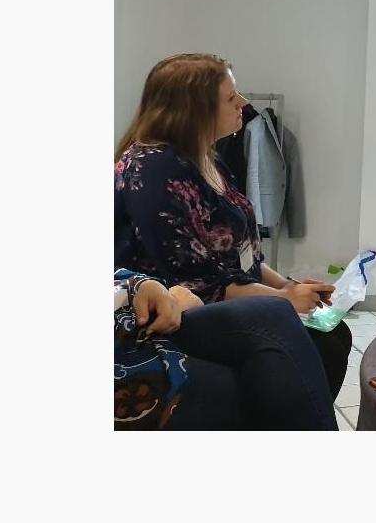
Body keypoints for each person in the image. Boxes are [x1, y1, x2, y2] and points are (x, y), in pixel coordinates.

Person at [115, 53, 351, 399]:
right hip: (180, 313)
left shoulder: (205, 159)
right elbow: (200, 284)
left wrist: (289, 286)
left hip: (228, 301)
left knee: (334, 334)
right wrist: (284, 299)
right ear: (194, 110)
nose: (242, 102)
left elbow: (242, 254)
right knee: (316, 344)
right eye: (230, 98)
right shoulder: (154, 169)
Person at [114, 269, 337, 430]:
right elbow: (200, 278)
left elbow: (250, 259)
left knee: (325, 336)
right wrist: (284, 294)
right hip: (137, 339)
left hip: (149, 311)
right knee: (277, 369)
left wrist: (286, 286)